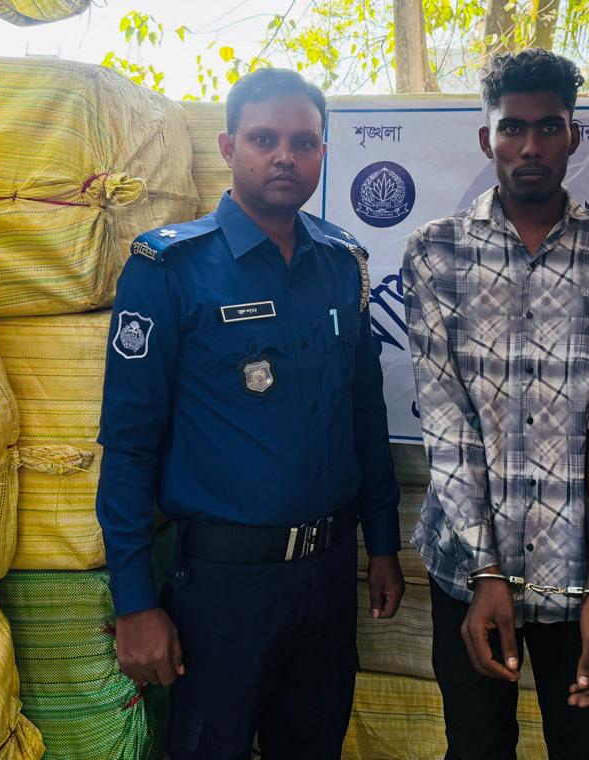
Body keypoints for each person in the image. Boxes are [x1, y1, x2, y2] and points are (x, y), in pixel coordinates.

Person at [94, 67, 405, 760]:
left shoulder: (342, 265)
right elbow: (129, 447)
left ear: (323, 153)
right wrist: (135, 602)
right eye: (265, 139)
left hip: (328, 576)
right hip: (223, 590)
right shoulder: (170, 269)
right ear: (230, 147)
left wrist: (381, 542)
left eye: (303, 142)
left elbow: (364, 416)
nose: (285, 156)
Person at [402, 49, 589, 760]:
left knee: (584, 747)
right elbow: (446, 421)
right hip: (466, 569)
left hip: (583, 575)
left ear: (574, 135)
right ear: (488, 139)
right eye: (513, 128)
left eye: (549, 127)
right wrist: (485, 573)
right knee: (476, 748)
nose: (531, 146)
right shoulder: (435, 254)